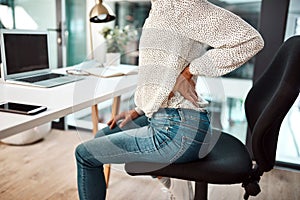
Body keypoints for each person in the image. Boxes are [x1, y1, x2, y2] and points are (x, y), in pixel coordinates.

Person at [75, 0, 264, 199]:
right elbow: (158, 74)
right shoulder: (159, 8)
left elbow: (250, 40)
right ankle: (178, 190)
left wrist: (189, 72)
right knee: (101, 136)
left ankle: (177, 188)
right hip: (166, 117)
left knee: (85, 155)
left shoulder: (183, 6)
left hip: (178, 127)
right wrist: (138, 110)